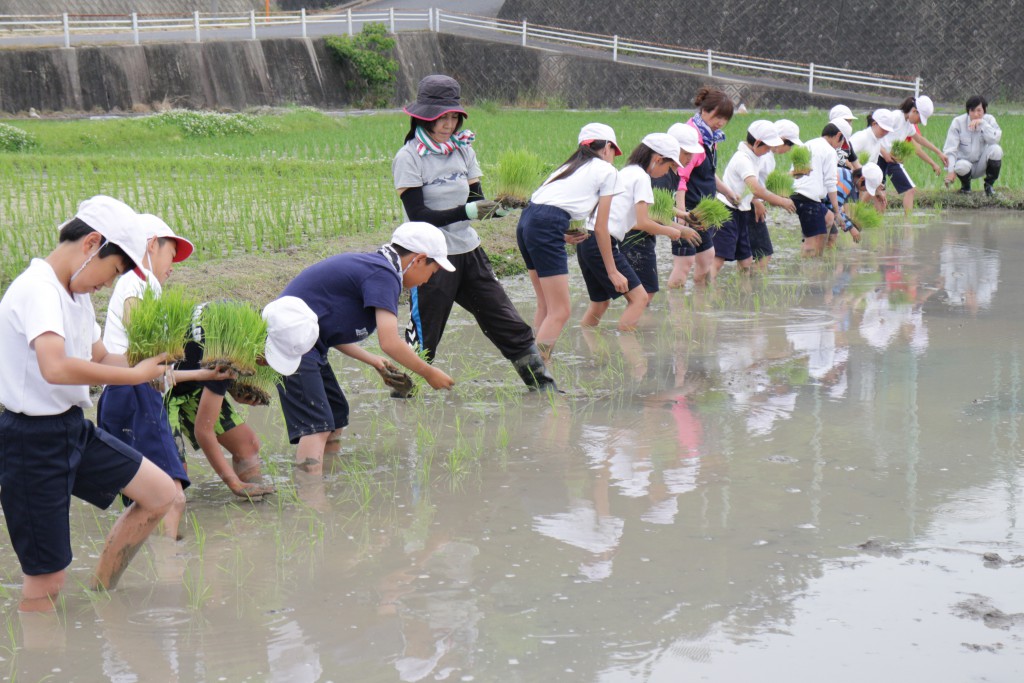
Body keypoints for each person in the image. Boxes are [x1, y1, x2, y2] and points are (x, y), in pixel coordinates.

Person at [0, 195, 176, 611]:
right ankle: (44, 667)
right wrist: (133, 376)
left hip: (71, 428)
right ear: (91, 243)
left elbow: (98, 356)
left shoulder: (75, 294)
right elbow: (56, 368)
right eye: (113, 271)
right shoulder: (37, 288)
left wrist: (147, 363)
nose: (109, 284)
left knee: (160, 492)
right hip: (31, 440)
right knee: (47, 578)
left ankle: (102, 596)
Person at [392, 74, 555, 391]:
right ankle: (402, 400)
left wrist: (499, 207)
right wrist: (466, 211)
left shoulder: (463, 150)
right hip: (429, 259)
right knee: (424, 338)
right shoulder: (409, 157)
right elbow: (419, 216)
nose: (448, 124)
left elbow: (475, 200)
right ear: (423, 117)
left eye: (454, 116)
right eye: (442, 117)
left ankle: (544, 387)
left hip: (470, 252)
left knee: (507, 321)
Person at [271, 222, 456, 467]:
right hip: (291, 342)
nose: (426, 281)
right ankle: (311, 495)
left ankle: (329, 475)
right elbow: (390, 342)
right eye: (432, 273)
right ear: (420, 259)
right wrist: (429, 373)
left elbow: (330, 331)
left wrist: (373, 360)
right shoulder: (383, 275)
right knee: (317, 426)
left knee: (335, 416)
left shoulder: (376, 269)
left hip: (307, 342)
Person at [96, 214, 235, 539]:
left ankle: (154, 568)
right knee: (170, 497)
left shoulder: (146, 286)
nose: (173, 265)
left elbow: (156, 374)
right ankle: (170, 571)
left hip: (135, 393)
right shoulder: (136, 280)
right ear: (150, 245)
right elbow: (140, 339)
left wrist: (204, 373)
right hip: (131, 396)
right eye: (171, 254)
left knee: (151, 499)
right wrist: (162, 347)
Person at [165, 296, 315, 500]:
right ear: (266, 340)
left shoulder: (241, 320)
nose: (268, 365)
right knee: (174, 477)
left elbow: (196, 359)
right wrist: (233, 483)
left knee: (248, 445)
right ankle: (165, 530)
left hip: (190, 382)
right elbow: (204, 430)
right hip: (158, 387)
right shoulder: (228, 347)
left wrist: (233, 389)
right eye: (271, 356)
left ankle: (257, 507)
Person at [516, 122, 623, 367]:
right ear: (607, 147)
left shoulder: (567, 167)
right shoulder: (607, 172)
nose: (613, 158)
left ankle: (540, 363)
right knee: (561, 311)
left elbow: (540, 212)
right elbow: (600, 228)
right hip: (546, 225)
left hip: (526, 223)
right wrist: (612, 271)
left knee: (546, 304)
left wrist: (560, 235)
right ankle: (537, 371)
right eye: (614, 153)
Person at [579, 133, 691, 330]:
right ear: (657, 160)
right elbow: (643, 221)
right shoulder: (641, 178)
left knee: (600, 303)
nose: (666, 173)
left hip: (587, 240)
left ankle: (589, 350)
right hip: (602, 242)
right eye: (668, 166)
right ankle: (630, 353)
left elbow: (631, 222)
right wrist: (671, 232)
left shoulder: (627, 172)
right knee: (639, 298)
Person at [666, 87, 740, 289]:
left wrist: (727, 192)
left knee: (707, 257)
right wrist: (681, 215)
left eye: (725, 119)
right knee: (684, 264)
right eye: (718, 117)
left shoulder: (709, 137)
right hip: (687, 208)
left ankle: (701, 310)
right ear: (704, 111)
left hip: (702, 209)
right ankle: (676, 311)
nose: (721, 123)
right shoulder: (693, 139)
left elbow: (707, 172)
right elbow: (681, 177)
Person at [623, 127, 704, 303]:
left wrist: (683, 214)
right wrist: (680, 229)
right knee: (644, 291)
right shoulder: (660, 175)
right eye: (686, 153)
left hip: (644, 233)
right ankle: (634, 322)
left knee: (646, 290)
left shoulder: (669, 172)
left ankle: (637, 321)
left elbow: (658, 203)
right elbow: (651, 213)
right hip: (635, 235)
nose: (690, 158)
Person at [710, 120, 796, 278]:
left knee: (746, 259)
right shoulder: (743, 159)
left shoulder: (754, 157)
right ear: (757, 143)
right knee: (718, 258)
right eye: (767, 147)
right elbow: (756, 188)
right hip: (727, 211)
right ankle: (706, 294)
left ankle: (745, 294)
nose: (768, 151)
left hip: (741, 211)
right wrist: (782, 201)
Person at [881, 95, 948, 213]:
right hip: (879, 158)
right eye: (920, 119)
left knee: (909, 190)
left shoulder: (909, 125)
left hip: (892, 160)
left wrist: (939, 153)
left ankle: (908, 224)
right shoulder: (896, 116)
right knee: (876, 193)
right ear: (914, 110)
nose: (919, 123)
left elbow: (920, 140)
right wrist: (884, 152)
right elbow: (876, 133)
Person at [750, 118, 802, 271]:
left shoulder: (767, 156)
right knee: (764, 255)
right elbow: (750, 184)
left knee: (747, 256)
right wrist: (756, 201)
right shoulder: (764, 156)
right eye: (790, 144)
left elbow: (766, 184)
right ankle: (752, 288)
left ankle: (745, 287)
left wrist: (791, 176)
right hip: (752, 207)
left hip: (753, 205)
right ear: (782, 140)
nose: (790, 149)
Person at [792, 123, 845, 257]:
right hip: (808, 198)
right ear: (838, 135)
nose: (840, 147)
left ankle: (819, 260)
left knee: (828, 218)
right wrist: (837, 210)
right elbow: (831, 183)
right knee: (813, 241)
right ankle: (811, 270)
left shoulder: (808, 144)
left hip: (797, 194)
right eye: (842, 142)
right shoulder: (829, 151)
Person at [943, 95, 1003, 196]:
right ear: (968, 111)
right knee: (961, 165)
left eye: (979, 110)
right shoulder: (958, 122)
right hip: (964, 166)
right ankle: (965, 187)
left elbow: (994, 138)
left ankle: (989, 186)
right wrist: (951, 171)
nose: (976, 114)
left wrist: (983, 124)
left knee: (996, 149)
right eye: (972, 110)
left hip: (982, 164)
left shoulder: (989, 120)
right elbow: (950, 149)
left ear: (984, 110)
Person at [849, 110, 893, 211]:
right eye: (884, 129)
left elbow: (872, 169)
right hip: (850, 180)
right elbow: (844, 155)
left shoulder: (877, 142)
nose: (886, 133)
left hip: (860, 182)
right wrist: (859, 171)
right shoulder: (862, 137)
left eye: (888, 131)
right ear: (874, 124)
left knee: (879, 201)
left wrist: (877, 188)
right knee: (849, 212)